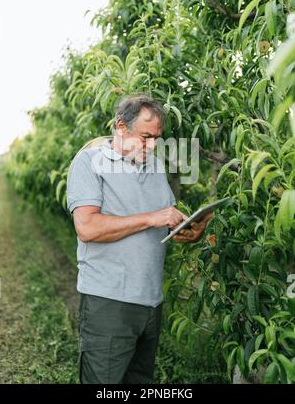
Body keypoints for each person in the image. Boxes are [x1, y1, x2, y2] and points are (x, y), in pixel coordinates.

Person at [66, 93, 212, 384]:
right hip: (108, 302)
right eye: (145, 137)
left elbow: (164, 225)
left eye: (157, 138)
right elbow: (88, 228)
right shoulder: (90, 162)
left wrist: (190, 231)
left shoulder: (154, 167)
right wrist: (151, 217)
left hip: (150, 303)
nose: (152, 145)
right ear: (121, 127)